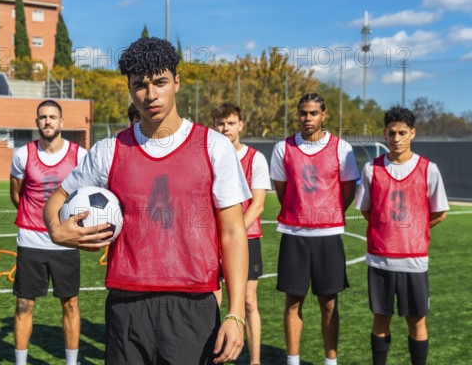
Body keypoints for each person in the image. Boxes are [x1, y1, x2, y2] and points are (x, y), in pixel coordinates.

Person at [44, 36, 250, 364]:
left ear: (177, 83)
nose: (151, 94)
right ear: (129, 88)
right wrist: (56, 231)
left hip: (192, 305)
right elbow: (56, 200)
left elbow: (233, 233)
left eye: (160, 82)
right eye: (140, 85)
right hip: (126, 305)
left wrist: (236, 314)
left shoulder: (213, 146)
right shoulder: (109, 150)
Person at [269, 93, 359, 365]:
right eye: (302, 113)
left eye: (313, 113)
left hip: (328, 236)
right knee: (293, 301)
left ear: (324, 115)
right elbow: (282, 192)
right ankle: (292, 360)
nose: (307, 118)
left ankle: (330, 361)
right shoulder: (282, 148)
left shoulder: (341, 148)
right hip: (294, 234)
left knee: (329, 303)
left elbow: (348, 191)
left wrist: (327, 214)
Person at [354, 106, 448, 365]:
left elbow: (440, 213)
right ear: (385, 133)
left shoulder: (429, 169)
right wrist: (386, 230)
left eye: (402, 132)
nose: (396, 138)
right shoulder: (371, 169)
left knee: (417, 320)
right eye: (391, 132)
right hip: (379, 260)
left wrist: (415, 229)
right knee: (380, 318)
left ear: (413, 133)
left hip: (414, 261)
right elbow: (366, 210)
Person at [10, 100, 88, 365]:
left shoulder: (80, 155)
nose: (47, 121)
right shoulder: (23, 154)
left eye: (52, 117)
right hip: (31, 240)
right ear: (36, 122)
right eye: (42, 117)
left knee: (71, 304)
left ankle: (71, 361)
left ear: (61, 122)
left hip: (65, 242)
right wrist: (38, 219)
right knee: (24, 305)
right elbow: (16, 194)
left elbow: (87, 195)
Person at [211, 103, 271, 365]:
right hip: (213, 241)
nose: (226, 128)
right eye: (221, 123)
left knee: (248, 301)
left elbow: (257, 205)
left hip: (246, 239)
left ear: (241, 125)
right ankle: (211, 355)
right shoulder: (210, 155)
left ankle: (254, 361)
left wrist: (231, 233)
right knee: (212, 301)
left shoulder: (255, 158)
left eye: (231, 123)